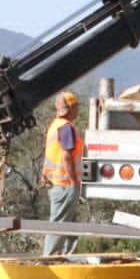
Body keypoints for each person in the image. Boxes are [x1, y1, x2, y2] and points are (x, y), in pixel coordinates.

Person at [42, 91, 83, 257]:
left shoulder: (55, 125)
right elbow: (66, 156)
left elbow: (51, 153)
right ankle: (49, 258)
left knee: (70, 225)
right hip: (64, 185)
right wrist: (74, 182)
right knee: (59, 225)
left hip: (56, 184)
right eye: (77, 107)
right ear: (71, 108)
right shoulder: (66, 128)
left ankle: (66, 257)